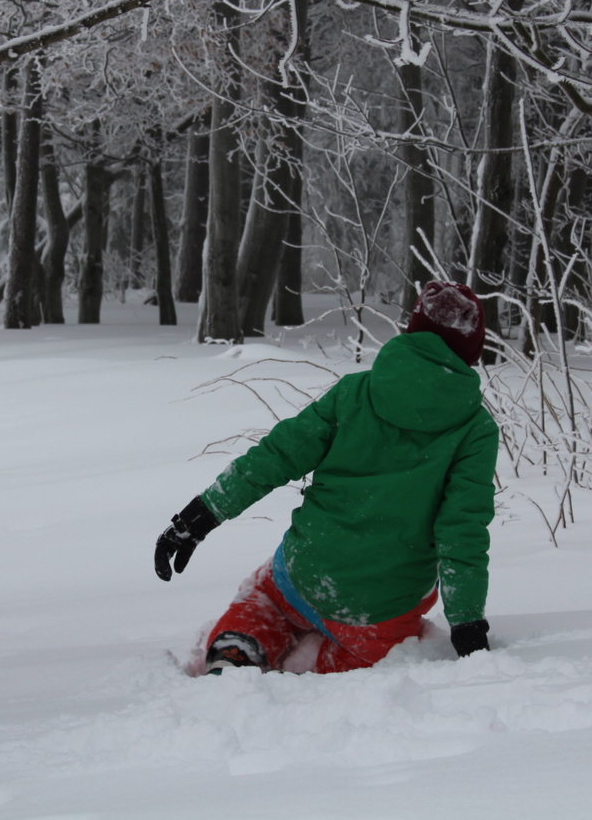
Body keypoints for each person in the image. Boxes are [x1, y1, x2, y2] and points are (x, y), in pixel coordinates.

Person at [154, 281, 498, 674]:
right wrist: (468, 622)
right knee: (377, 648)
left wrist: (201, 514)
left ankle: (242, 643)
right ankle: (312, 664)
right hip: (378, 610)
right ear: (471, 351)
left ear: (413, 333)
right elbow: (462, 530)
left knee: (264, 596)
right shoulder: (476, 429)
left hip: (304, 573)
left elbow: (277, 455)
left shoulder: (354, 392)